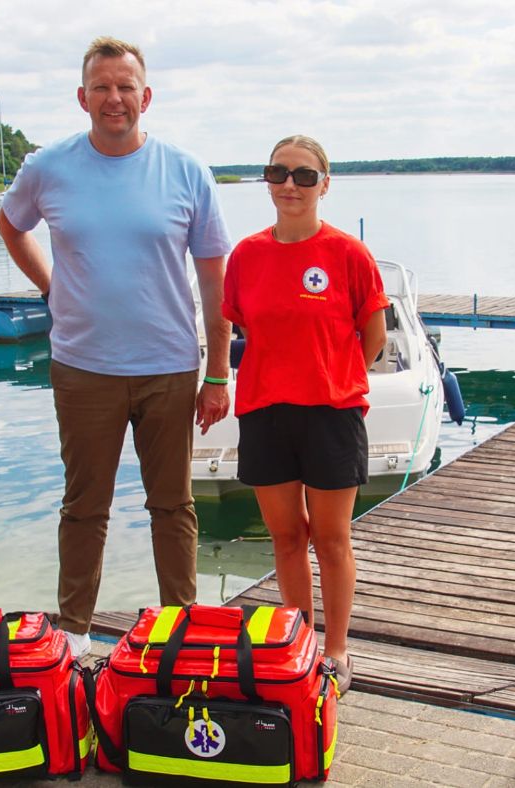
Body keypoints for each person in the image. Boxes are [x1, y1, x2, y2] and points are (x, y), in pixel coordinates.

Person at [0, 37, 232, 659]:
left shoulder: (186, 171)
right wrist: (52, 287)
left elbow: (214, 278)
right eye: (101, 86)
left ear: (146, 96)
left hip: (171, 368)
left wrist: (219, 372)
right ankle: (73, 634)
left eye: (126, 86)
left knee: (173, 505)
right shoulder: (49, 167)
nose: (114, 98)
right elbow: (11, 226)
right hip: (83, 367)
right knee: (83, 507)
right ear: (82, 97)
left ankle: (181, 629)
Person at [222, 135, 388, 694]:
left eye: (304, 176)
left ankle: (338, 650)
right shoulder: (246, 255)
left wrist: (332, 376)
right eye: (278, 173)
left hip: (331, 415)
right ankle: (300, 642)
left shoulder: (348, 254)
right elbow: (241, 325)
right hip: (266, 412)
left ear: (325, 184)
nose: (290, 185)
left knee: (331, 537)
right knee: (287, 537)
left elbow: (374, 336)